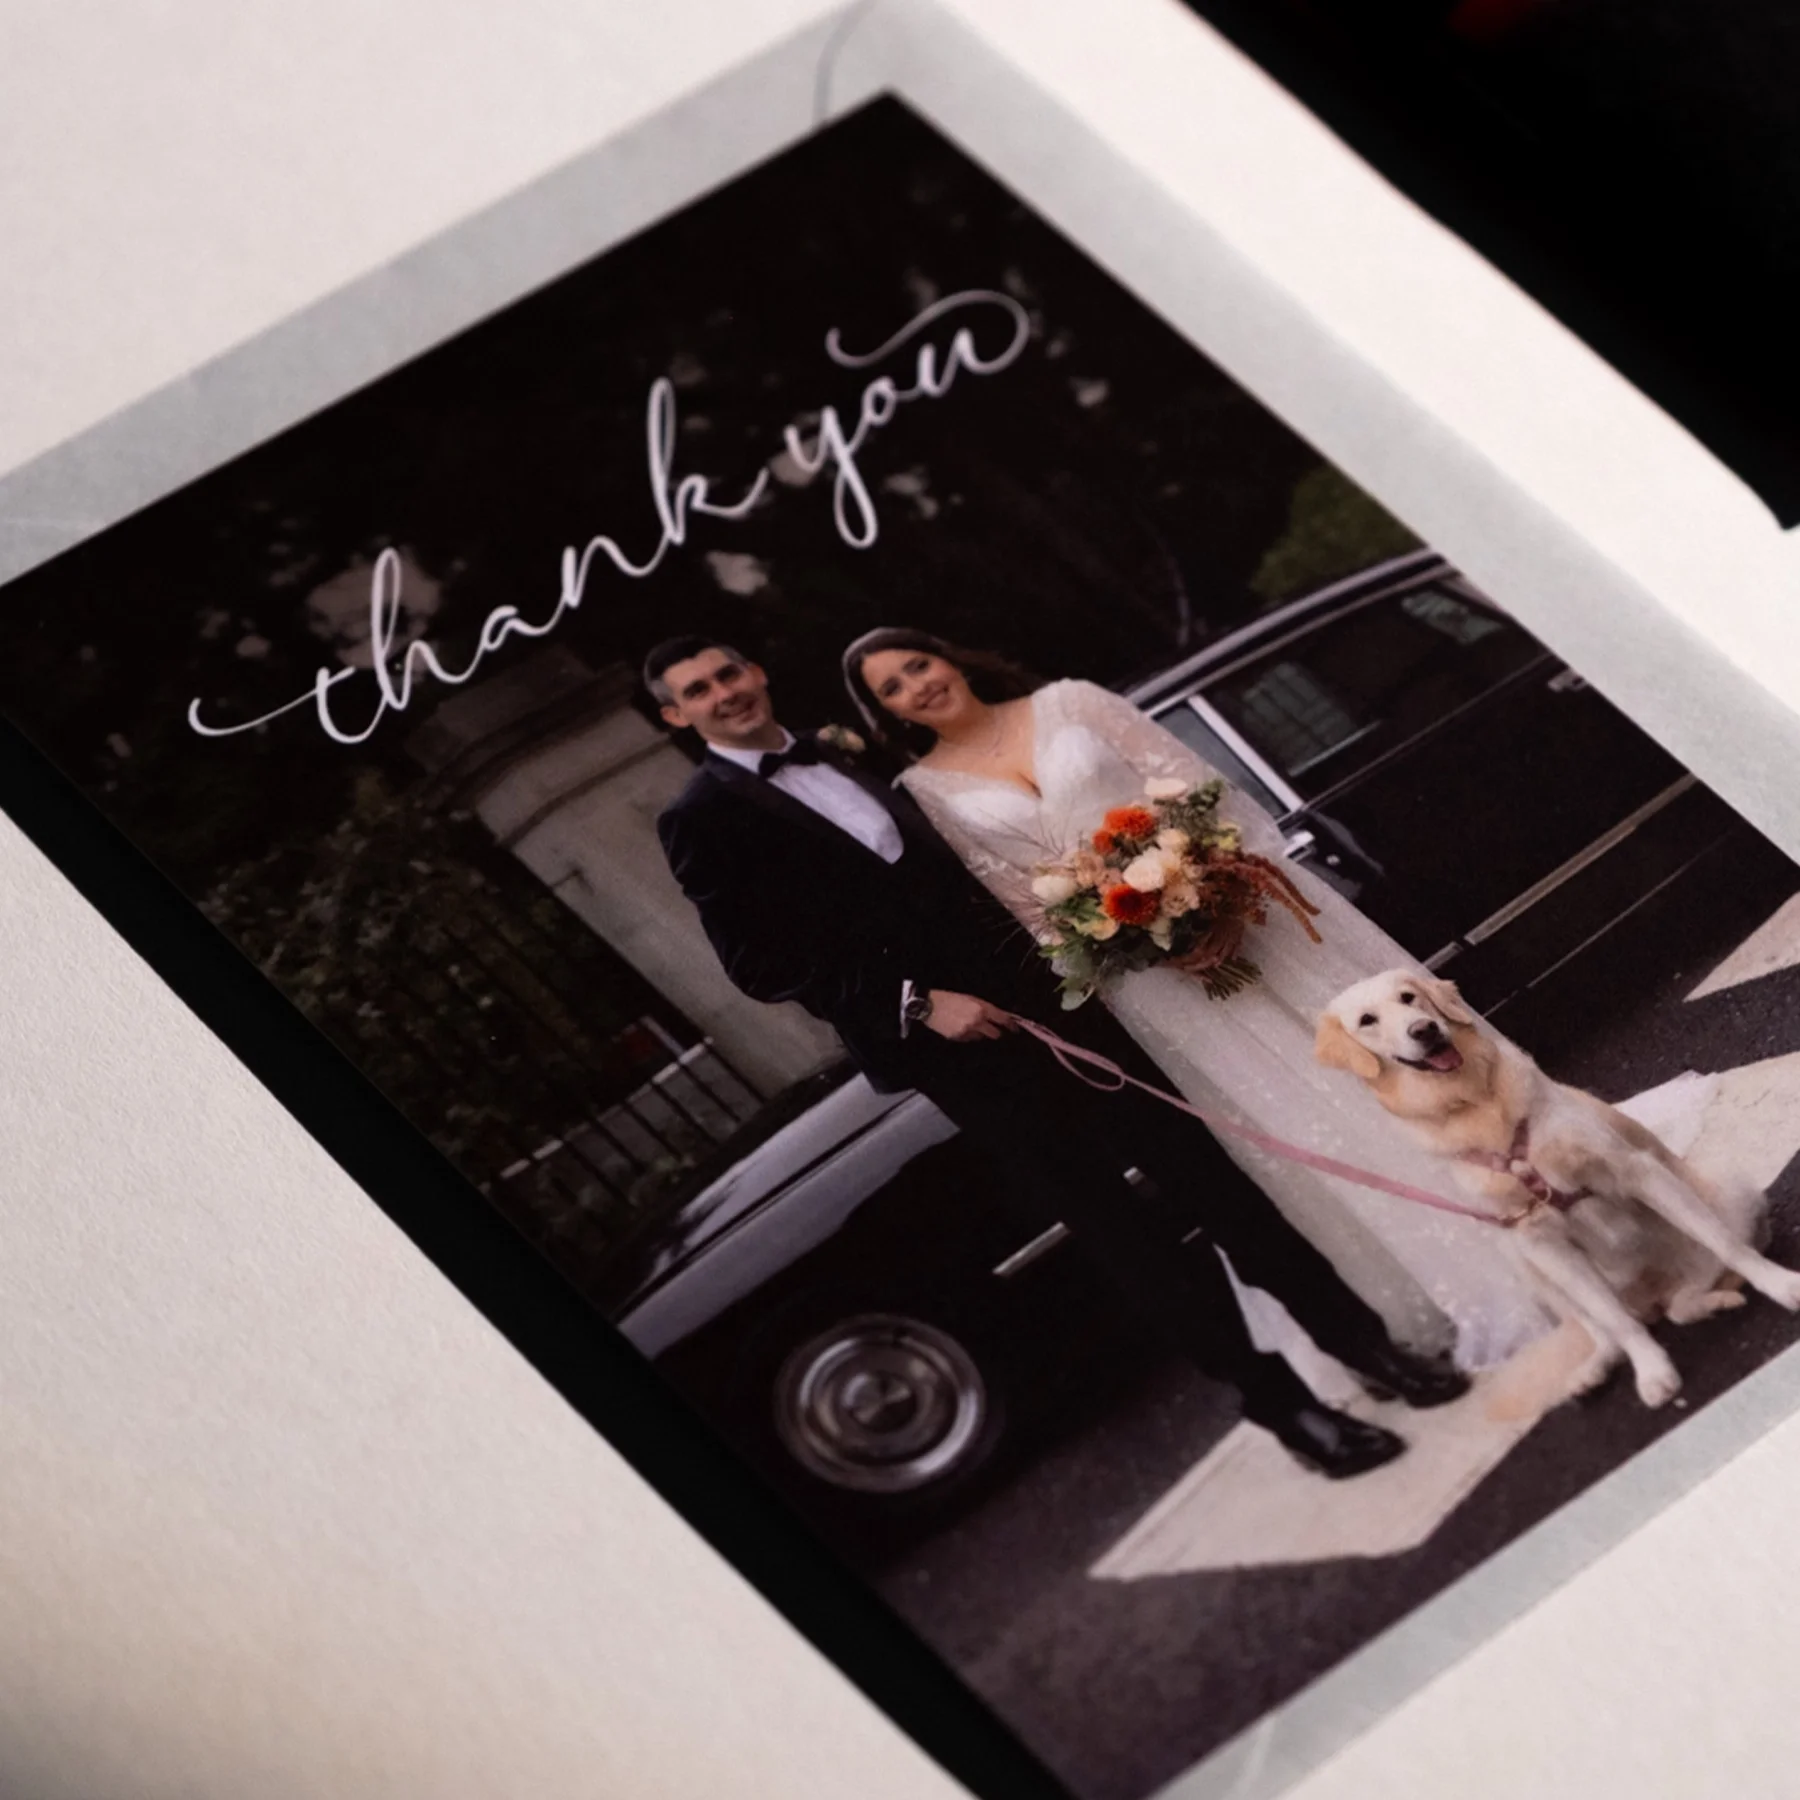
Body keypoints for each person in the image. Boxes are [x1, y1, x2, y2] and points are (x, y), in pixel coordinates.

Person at [645, 634, 1472, 1480]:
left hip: (1064, 1005)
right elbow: (759, 965)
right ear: (677, 715)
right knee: (1130, 1237)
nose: (723, 693)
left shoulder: (850, 757)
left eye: (728, 673)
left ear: (756, 672)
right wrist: (917, 1003)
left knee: (1219, 1183)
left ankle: (1366, 1347)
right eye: (698, 691)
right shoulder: (699, 819)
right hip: (961, 1057)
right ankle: (1286, 1410)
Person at [842, 628, 1555, 1374]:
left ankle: (1544, 1198)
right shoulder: (927, 789)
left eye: (918, 663)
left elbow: (1193, 787)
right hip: (1154, 980)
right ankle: (1454, 1279)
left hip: (1251, 914)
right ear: (888, 713)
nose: (918, 685)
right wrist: (1128, 945)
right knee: (1296, 1111)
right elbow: (1024, 903)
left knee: (1385, 1062)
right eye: (893, 688)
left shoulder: (1070, 701)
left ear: (948, 656)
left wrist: (1216, 899)